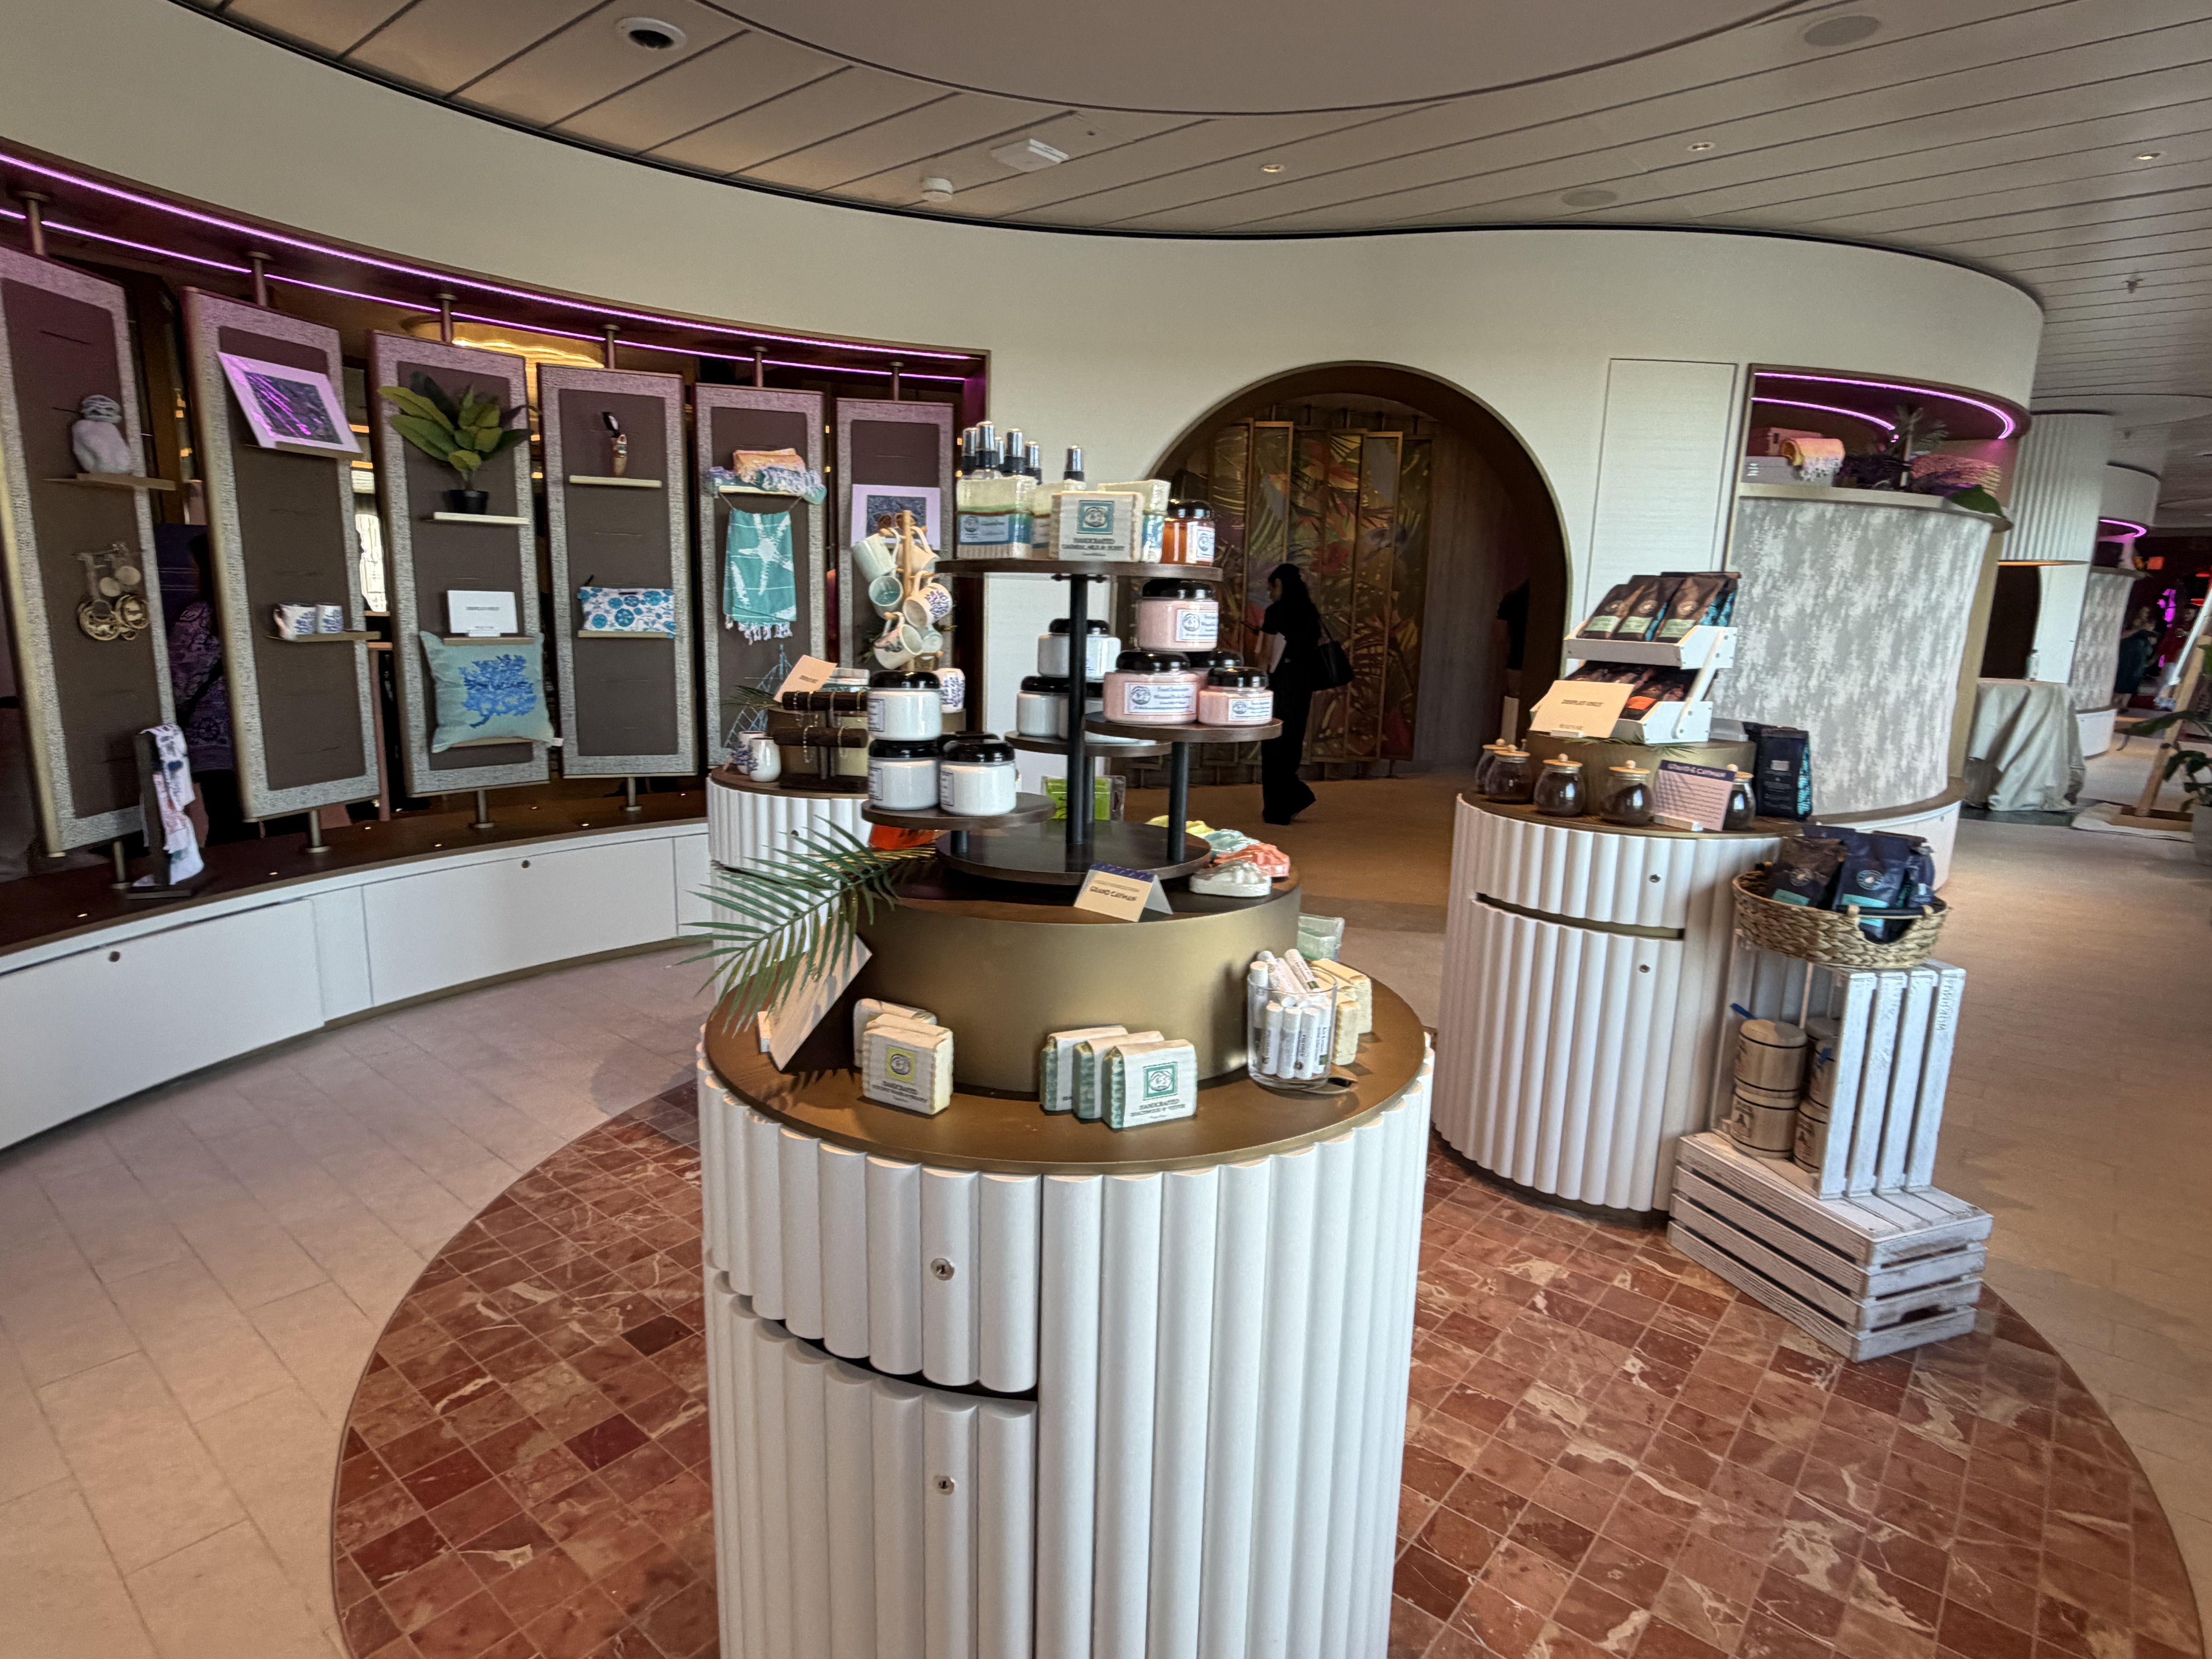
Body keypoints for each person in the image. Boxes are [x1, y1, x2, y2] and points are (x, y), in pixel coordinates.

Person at [167, 532, 249, 843]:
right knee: (279, 814)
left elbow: (180, 680)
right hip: (259, 733)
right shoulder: (254, 609)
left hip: (212, 737)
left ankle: (234, 870)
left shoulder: (199, 615)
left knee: (227, 818)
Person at [1257, 561, 1322, 825]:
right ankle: (1291, 799)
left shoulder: (1276, 612)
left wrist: (1258, 687)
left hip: (1280, 683)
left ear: (1279, 584)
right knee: (1293, 740)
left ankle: (1279, 807)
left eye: (1271, 588)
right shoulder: (1310, 612)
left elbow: (1265, 655)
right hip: (1303, 683)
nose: (1270, 593)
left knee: (1273, 743)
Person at [2116, 605, 2159, 701]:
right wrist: (2140, 629)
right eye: (2143, 612)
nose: (2144, 615)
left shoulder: (2149, 626)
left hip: (2140, 657)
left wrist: (2150, 633)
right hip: (2127, 656)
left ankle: (2125, 704)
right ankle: (2117, 700)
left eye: (2147, 613)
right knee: (2122, 680)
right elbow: (2122, 636)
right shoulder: (2129, 624)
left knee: (2133, 681)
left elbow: (2153, 642)